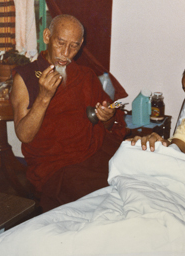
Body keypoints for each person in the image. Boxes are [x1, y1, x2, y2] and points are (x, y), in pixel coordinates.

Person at [11, 14, 127, 211]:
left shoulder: (85, 75)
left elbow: (108, 124)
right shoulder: (26, 77)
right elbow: (24, 135)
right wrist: (44, 97)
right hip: (55, 165)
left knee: (131, 181)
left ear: (81, 44)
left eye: (74, 46)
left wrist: (106, 119)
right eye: (61, 43)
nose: (65, 53)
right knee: (100, 201)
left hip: (95, 151)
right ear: (47, 36)